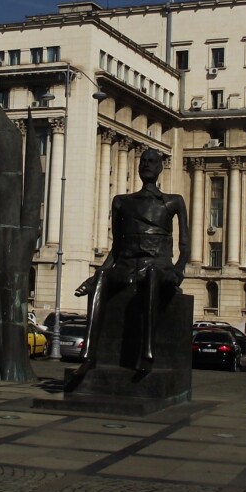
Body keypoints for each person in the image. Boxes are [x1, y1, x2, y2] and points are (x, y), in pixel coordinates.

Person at [75, 148, 189, 374]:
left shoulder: (174, 201)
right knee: (102, 277)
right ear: (138, 168)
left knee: (153, 275)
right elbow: (116, 248)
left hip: (160, 268)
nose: (146, 165)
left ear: (160, 168)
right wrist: (96, 275)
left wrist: (178, 270)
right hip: (128, 267)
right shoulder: (121, 202)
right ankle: (88, 356)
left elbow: (185, 245)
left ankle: (147, 353)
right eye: (143, 161)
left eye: (152, 162)